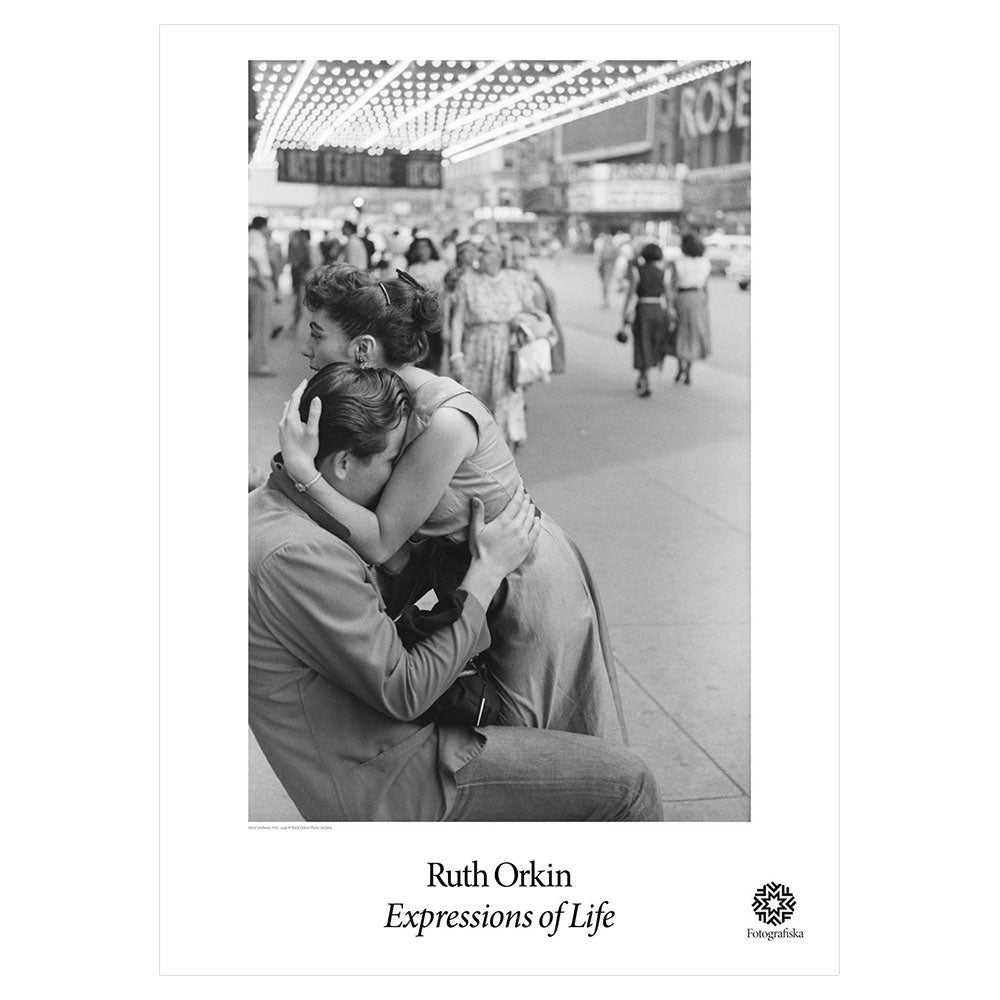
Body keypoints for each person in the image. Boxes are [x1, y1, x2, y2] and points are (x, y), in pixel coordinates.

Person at [251, 364, 660, 822]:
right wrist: (485, 574)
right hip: (394, 779)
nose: (395, 479)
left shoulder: (272, 509)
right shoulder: (296, 554)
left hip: (383, 743)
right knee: (630, 781)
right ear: (343, 463)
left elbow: (357, 612)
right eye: (390, 462)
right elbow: (405, 690)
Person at [282, 263, 626, 741]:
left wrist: (305, 476)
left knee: (536, 733)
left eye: (317, 335)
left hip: (524, 580)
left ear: (362, 350)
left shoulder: (444, 420)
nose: (306, 348)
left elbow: (382, 541)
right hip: (484, 571)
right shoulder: (390, 404)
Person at [448, 237, 538, 450]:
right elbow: (458, 320)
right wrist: (456, 355)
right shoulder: (467, 281)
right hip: (475, 349)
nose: (479, 256)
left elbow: (532, 312)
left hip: (507, 351)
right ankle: (474, 453)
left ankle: (502, 454)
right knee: (473, 402)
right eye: (479, 251)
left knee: (504, 402)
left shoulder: (516, 280)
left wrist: (522, 324)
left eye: (486, 252)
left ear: (499, 256)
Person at [507, 233, 566, 374]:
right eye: (513, 257)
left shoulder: (533, 279)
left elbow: (544, 307)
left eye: (522, 258)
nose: (518, 262)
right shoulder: (501, 276)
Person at [621, 243, 673, 398]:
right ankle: (644, 376)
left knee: (642, 343)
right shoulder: (663, 273)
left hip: (642, 309)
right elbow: (669, 296)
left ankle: (645, 378)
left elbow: (630, 294)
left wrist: (624, 314)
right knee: (654, 343)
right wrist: (670, 314)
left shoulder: (637, 271)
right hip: (658, 310)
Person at [670, 233, 712, 385]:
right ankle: (688, 370)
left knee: (681, 332)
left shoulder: (678, 263)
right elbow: (706, 286)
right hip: (699, 297)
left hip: (683, 297)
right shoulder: (705, 263)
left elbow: (672, 286)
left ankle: (680, 366)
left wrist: (670, 305)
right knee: (695, 333)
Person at [406, 236, 449, 374]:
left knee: (437, 343)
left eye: (425, 247)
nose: (422, 251)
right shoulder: (413, 268)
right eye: (419, 248)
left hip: (437, 310)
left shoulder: (441, 266)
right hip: (419, 312)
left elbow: (444, 289)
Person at [248, 216, 275, 376]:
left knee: (256, 325)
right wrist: (261, 280)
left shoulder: (251, 235)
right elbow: (252, 256)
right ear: (263, 226)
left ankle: (256, 363)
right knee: (262, 326)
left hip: (254, 283)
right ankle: (260, 366)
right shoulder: (257, 237)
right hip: (259, 283)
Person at [594, 232, 618, 308]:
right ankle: (605, 299)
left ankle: (606, 300)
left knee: (606, 285)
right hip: (603, 268)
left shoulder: (613, 248)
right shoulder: (603, 247)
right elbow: (600, 258)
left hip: (608, 268)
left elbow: (614, 258)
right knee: (604, 285)